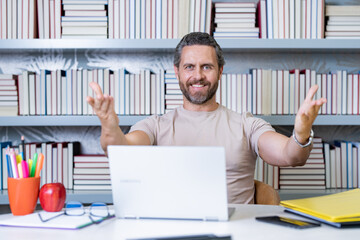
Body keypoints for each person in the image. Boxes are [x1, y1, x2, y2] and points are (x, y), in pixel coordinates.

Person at [87, 32, 327, 204]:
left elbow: (290, 156)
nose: (198, 76)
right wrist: (109, 127)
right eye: (189, 67)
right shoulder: (156, 125)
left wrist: (301, 133)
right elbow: (122, 150)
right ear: (177, 72)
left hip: (237, 232)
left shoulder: (246, 124)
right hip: (171, 230)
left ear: (220, 71)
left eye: (207, 67)